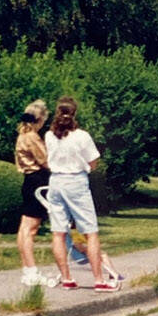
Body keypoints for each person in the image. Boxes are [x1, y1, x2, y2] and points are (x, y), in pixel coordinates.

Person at [44, 97, 119, 291]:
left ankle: (67, 278)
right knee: (90, 232)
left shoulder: (49, 136)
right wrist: (86, 167)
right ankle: (99, 280)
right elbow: (93, 162)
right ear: (75, 113)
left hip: (56, 181)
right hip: (76, 181)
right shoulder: (82, 136)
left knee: (58, 232)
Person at [14, 99, 56, 287]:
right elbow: (45, 161)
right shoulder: (32, 137)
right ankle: (31, 270)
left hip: (29, 180)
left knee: (25, 227)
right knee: (31, 229)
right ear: (39, 119)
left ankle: (27, 268)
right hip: (37, 180)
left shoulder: (22, 135)